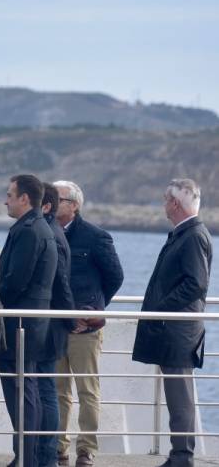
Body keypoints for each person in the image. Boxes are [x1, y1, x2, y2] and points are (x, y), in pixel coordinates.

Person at [133, 179, 212, 467]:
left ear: (175, 204)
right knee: (178, 395)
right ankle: (179, 455)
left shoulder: (192, 236)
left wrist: (161, 309)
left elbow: (195, 284)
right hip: (176, 328)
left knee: (180, 398)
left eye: (166, 199)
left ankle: (182, 457)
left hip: (179, 329)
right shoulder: (186, 233)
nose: (163, 204)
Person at [53, 180, 124, 467]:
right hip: (56, 324)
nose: (50, 202)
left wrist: (94, 308)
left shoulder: (96, 236)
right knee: (57, 391)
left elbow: (115, 276)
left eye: (56, 198)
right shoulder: (48, 233)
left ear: (74, 204)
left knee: (87, 389)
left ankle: (86, 449)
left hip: (86, 328)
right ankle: (58, 448)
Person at [0, 174, 58, 467]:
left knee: (22, 393)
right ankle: (26, 456)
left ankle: (27, 457)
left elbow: (15, 281)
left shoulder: (30, 230)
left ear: (24, 198)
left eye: (10, 194)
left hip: (20, 324)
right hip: (29, 324)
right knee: (26, 390)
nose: (5, 200)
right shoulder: (38, 227)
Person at [37, 183, 75, 467]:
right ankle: (42, 453)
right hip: (50, 323)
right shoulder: (54, 231)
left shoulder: (50, 234)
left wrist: (70, 319)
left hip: (50, 326)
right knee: (45, 389)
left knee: (47, 390)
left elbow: (61, 283)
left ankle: (47, 455)